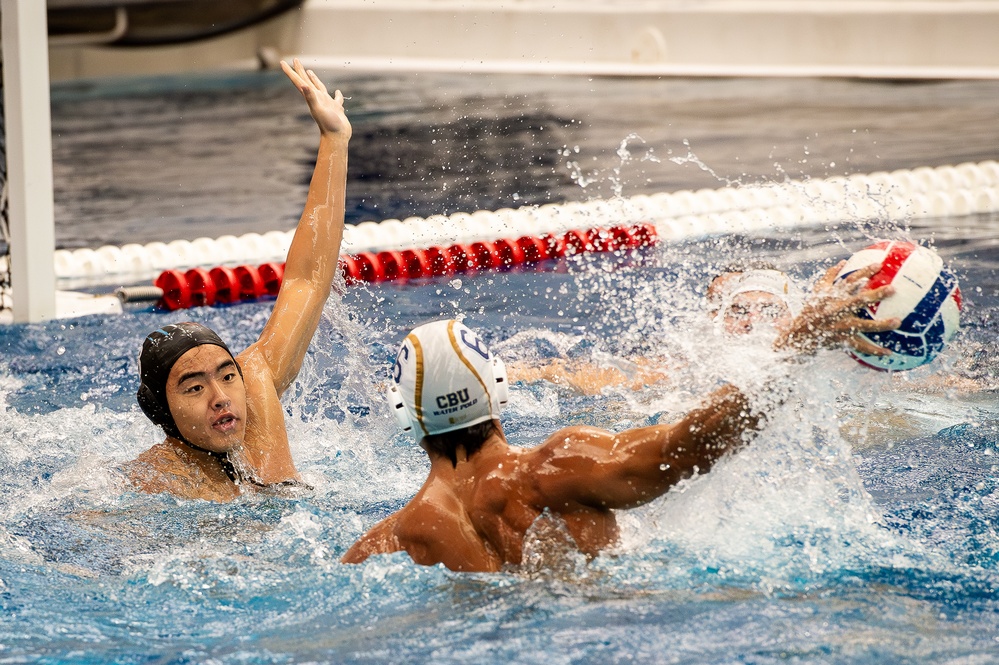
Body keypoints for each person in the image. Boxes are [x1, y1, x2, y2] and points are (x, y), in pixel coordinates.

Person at [341, 263, 899, 572]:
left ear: (406, 418)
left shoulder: (397, 538)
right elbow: (693, 445)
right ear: (498, 389)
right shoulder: (558, 468)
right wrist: (789, 354)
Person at [124, 59, 351, 502]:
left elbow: (306, 279)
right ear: (162, 412)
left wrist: (335, 141)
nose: (221, 397)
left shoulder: (255, 388)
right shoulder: (154, 484)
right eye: (194, 387)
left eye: (227, 376)